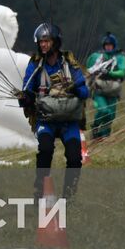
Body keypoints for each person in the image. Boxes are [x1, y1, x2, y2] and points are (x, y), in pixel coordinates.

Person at [19, 22, 90, 200]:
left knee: (75, 158)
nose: (43, 45)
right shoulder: (35, 64)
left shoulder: (69, 62)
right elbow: (27, 89)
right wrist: (25, 98)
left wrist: (74, 89)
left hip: (68, 122)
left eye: (47, 41)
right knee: (45, 151)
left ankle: (69, 197)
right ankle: (40, 193)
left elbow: (84, 91)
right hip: (46, 121)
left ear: (55, 42)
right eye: (40, 42)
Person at [85, 32, 125, 140]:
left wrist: (109, 73)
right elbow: (88, 70)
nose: (108, 47)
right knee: (104, 111)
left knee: (111, 116)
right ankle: (95, 127)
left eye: (110, 45)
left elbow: (122, 73)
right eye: (106, 45)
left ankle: (104, 135)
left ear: (114, 45)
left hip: (113, 91)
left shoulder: (120, 57)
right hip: (99, 90)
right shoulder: (97, 57)